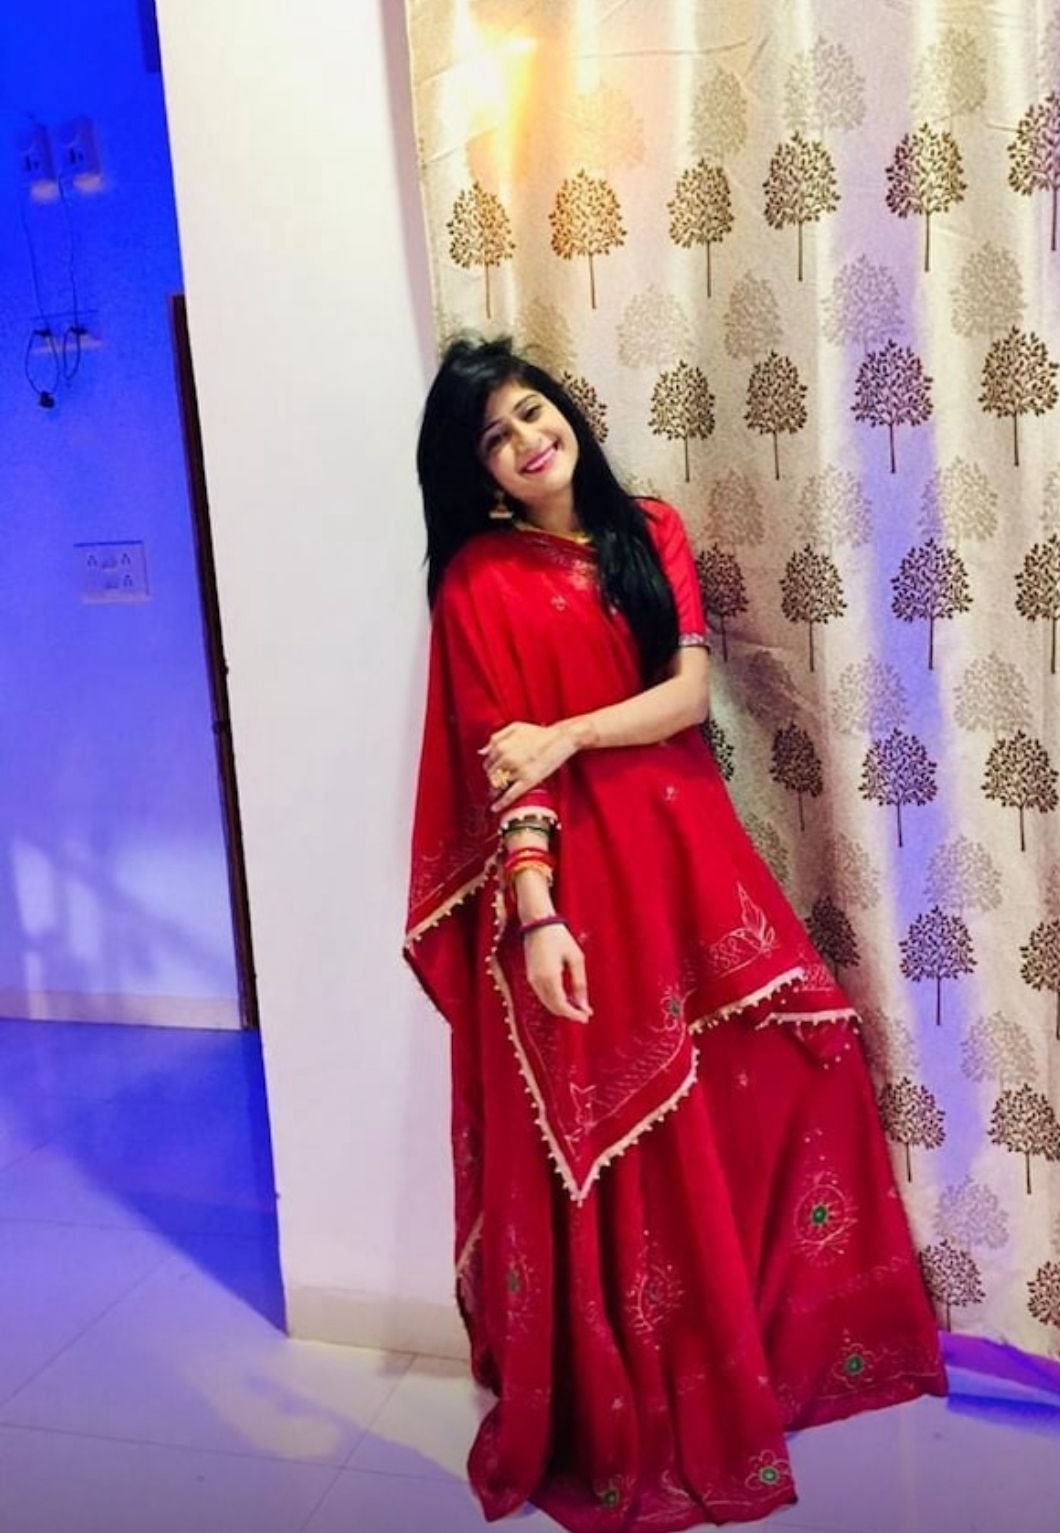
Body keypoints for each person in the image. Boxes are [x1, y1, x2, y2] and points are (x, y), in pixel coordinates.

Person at [405, 335, 946, 1532]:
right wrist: (537, 914)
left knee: (800, 1062)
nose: (524, 440)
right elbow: (502, 761)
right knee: (633, 1131)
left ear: (564, 412)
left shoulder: (648, 529)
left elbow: (688, 696)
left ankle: (771, 1350)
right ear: (479, 475)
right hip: (583, 875)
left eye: (530, 412)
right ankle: (647, 1393)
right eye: (493, 438)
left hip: (690, 848)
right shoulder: (479, 583)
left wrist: (568, 731)